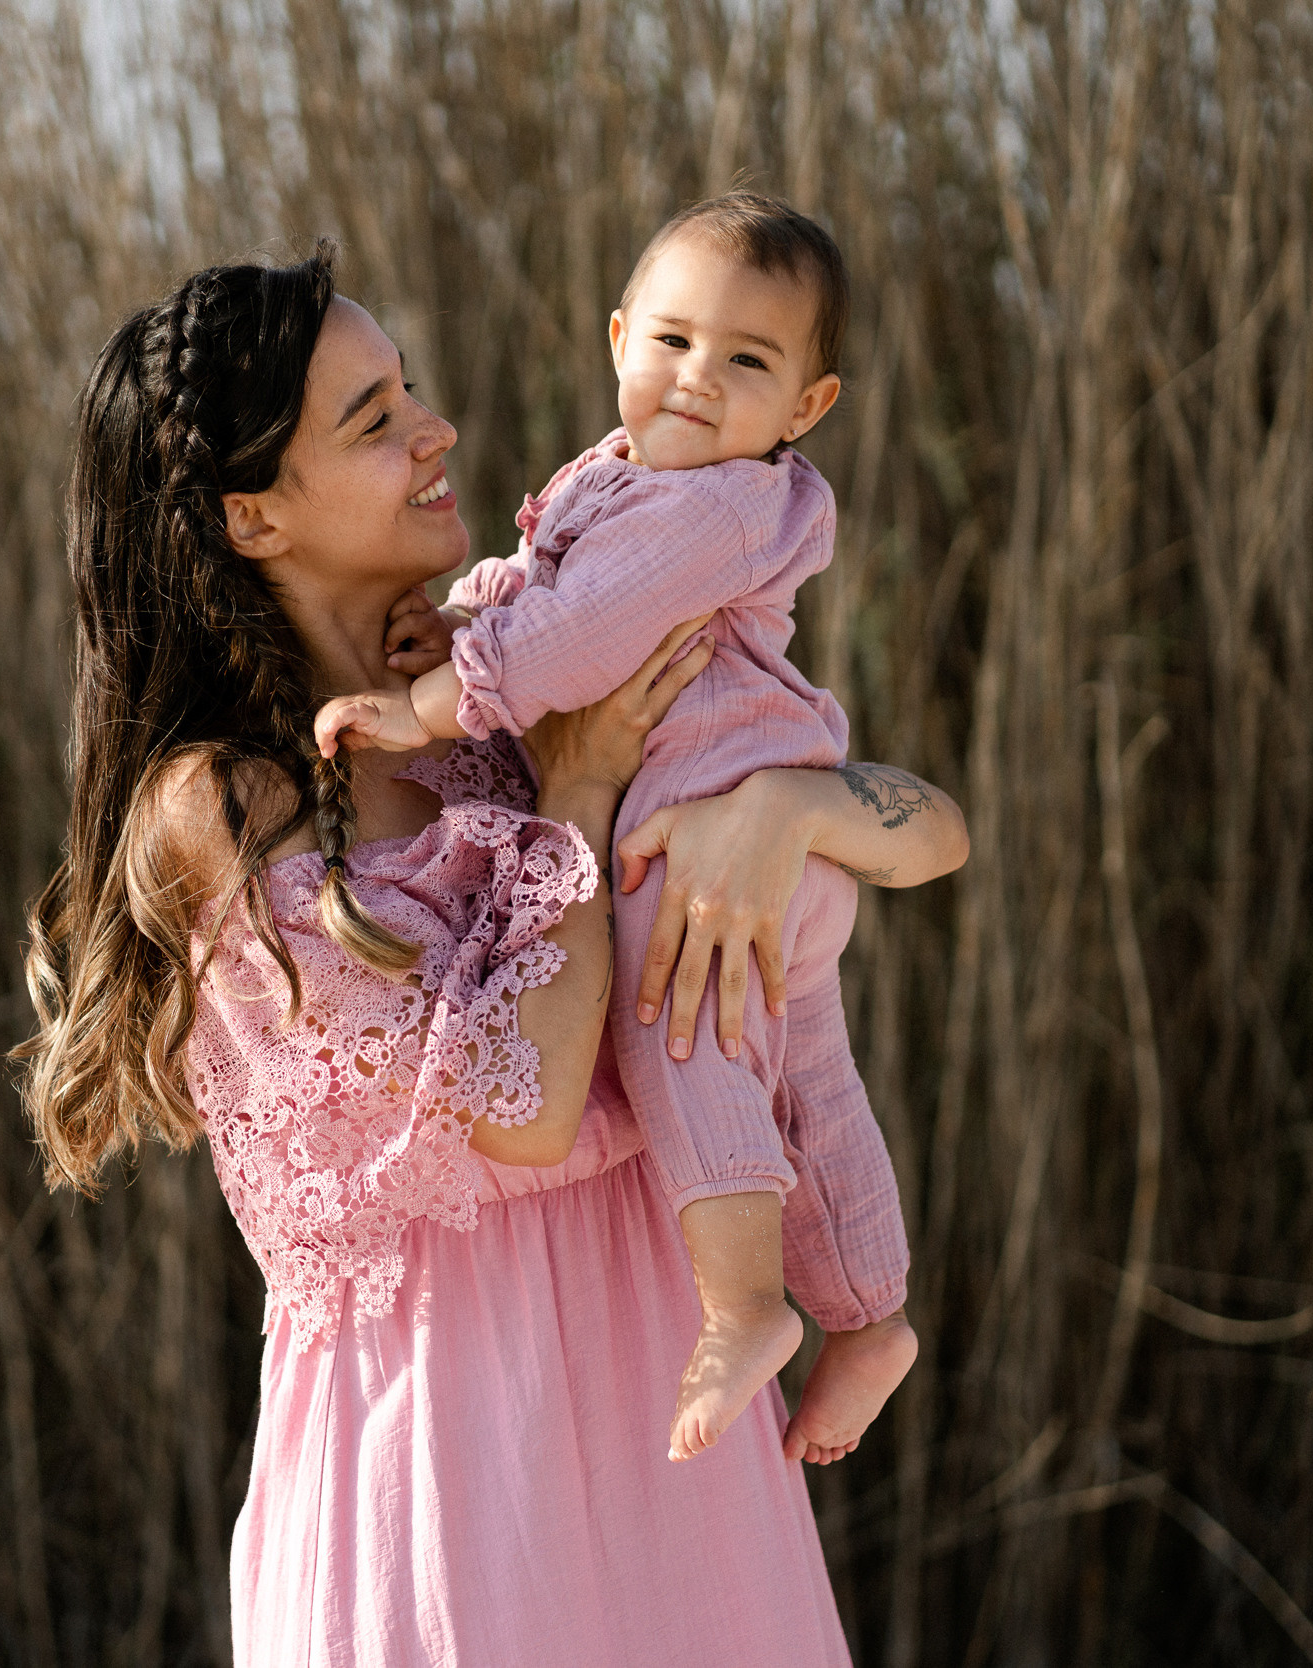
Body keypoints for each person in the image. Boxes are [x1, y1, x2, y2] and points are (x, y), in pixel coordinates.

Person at [17, 243, 967, 1666]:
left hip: (671, 1420)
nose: (435, 429)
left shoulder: (511, 675)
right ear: (254, 517)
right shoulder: (223, 806)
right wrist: (578, 790)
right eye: (373, 416)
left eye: (408, 390)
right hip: (451, 1476)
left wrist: (788, 810)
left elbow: (936, 835)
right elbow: (518, 1108)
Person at [316, 191, 920, 1462]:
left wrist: (427, 702)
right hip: (770, 845)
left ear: (805, 409)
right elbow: (544, 590)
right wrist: (468, 620)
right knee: (808, 1076)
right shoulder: (623, 473)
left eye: (748, 361)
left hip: (716, 831)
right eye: (672, 342)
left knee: (678, 1029)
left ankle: (747, 1302)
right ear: (616, 339)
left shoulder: (723, 506)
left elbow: (580, 634)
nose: (698, 381)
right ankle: (868, 1315)